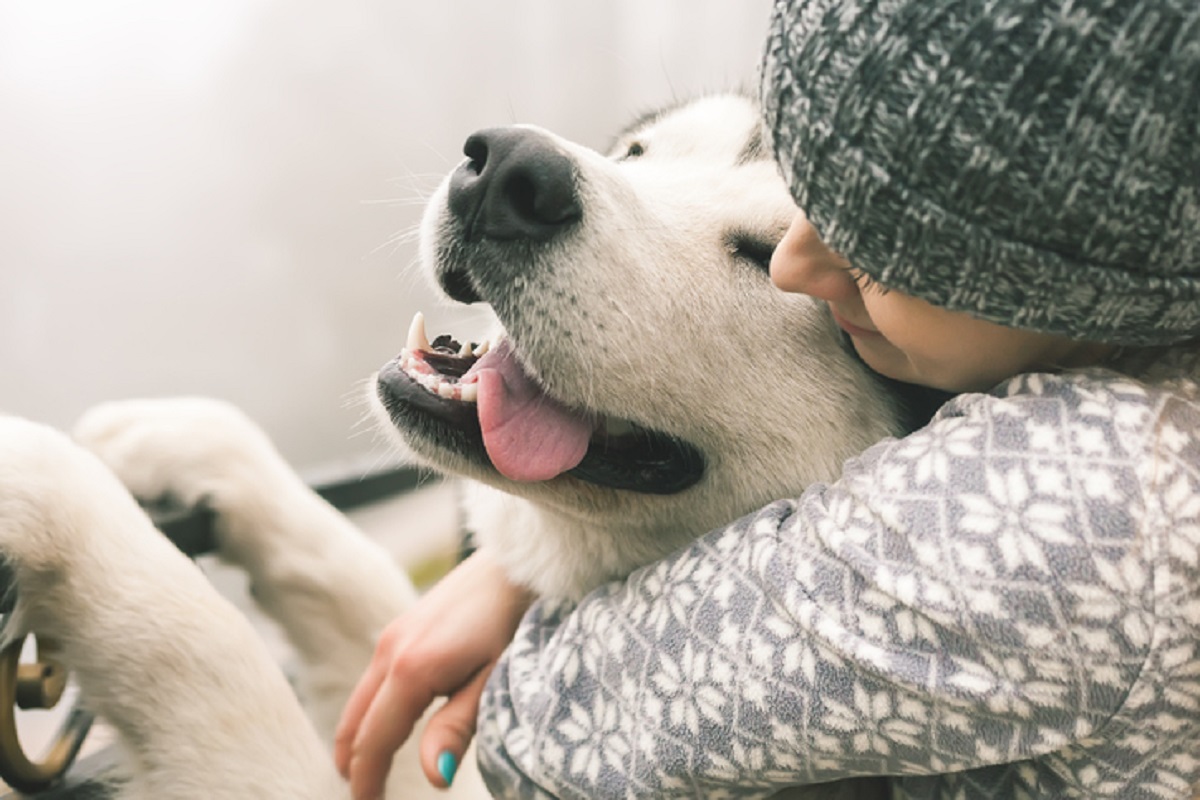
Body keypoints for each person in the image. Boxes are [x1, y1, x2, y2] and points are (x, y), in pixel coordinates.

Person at [336, 0, 1200, 797]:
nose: (798, 264)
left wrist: (534, 584)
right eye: (640, 150)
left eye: (874, 253)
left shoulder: (1087, 510)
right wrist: (520, 566)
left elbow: (538, 736)